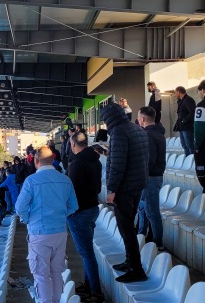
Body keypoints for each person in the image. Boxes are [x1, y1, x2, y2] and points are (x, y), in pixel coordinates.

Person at [15, 146, 79, 303]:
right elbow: (73, 206)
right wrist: (60, 215)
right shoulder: (65, 180)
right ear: (53, 160)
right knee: (56, 272)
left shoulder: (31, 181)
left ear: (36, 161)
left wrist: (27, 219)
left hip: (39, 233)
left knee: (41, 274)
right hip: (60, 232)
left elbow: (19, 208)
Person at [100, 102, 149, 283]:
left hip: (125, 188)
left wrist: (112, 189)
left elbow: (117, 165)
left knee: (126, 228)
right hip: (137, 185)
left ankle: (137, 269)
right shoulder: (136, 129)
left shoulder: (119, 133)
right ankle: (130, 261)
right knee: (128, 225)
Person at [65, 131, 103, 302]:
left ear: (73, 145)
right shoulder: (96, 161)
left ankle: (96, 292)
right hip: (92, 208)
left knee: (87, 253)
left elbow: (70, 191)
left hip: (79, 212)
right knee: (87, 251)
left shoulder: (76, 164)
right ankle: (89, 286)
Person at [137, 106, 166, 251]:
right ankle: (142, 235)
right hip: (153, 176)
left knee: (151, 211)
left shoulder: (148, 135)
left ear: (142, 119)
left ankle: (157, 241)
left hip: (150, 177)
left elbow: (149, 159)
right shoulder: (158, 133)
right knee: (143, 208)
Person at [174, 86, 196, 156]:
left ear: (178, 92)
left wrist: (184, 121)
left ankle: (193, 162)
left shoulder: (188, 100)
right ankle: (188, 159)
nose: (175, 95)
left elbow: (192, 112)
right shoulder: (181, 101)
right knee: (184, 146)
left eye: (175, 93)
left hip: (187, 127)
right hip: (182, 127)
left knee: (190, 146)